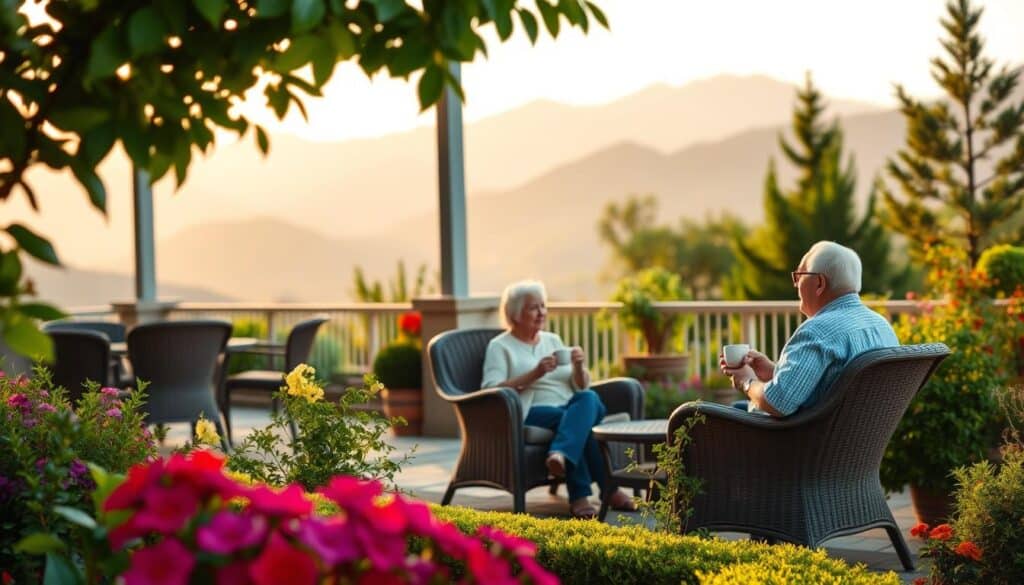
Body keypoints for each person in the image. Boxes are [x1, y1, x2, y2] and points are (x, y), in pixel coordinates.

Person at [481, 280, 636, 519]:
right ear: (514, 314)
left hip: (569, 405)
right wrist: (535, 374)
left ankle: (561, 456)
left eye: (543, 306)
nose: (542, 312)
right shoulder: (500, 347)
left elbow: (581, 385)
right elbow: (490, 389)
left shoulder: (552, 340)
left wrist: (579, 365)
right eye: (533, 307)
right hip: (529, 408)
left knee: (588, 397)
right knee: (578, 422)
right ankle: (602, 491)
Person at [721, 241, 899, 417]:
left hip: (808, 442)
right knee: (739, 407)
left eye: (799, 275)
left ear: (820, 283)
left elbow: (778, 403)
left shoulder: (817, 332)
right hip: (861, 439)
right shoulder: (882, 326)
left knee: (717, 415)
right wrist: (772, 371)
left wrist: (745, 380)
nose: (796, 284)